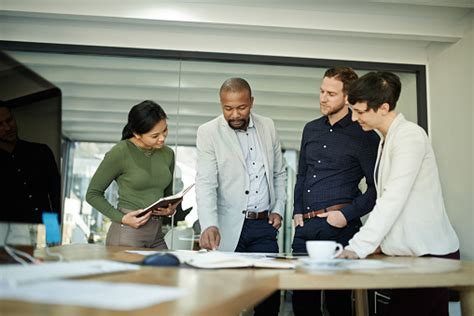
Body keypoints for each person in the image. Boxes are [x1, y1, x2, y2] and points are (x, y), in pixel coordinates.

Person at [340, 71, 460, 316]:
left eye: (360, 111)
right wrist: (378, 244)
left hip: (430, 255)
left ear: (383, 107)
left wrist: (358, 247)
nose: (354, 118)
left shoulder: (410, 136)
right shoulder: (387, 139)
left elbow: (393, 198)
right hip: (411, 257)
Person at [292, 67, 379, 316]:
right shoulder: (310, 129)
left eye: (331, 93)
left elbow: (376, 189)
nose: (322, 98)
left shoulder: (365, 136)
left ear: (347, 97)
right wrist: (297, 211)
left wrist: (347, 215)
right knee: (302, 303)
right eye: (321, 91)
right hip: (304, 228)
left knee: (338, 303)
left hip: (339, 227)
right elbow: (302, 174)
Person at [196, 77, 286, 316]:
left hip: (263, 226)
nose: (234, 114)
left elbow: (279, 173)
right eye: (228, 108)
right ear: (221, 104)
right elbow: (205, 183)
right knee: (225, 299)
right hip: (227, 227)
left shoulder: (268, 126)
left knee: (268, 296)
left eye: (241, 107)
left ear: (252, 102)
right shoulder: (208, 132)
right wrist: (209, 224)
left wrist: (278, 208)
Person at [86, 100, 179, 248]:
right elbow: (92, 194)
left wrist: (170, 209)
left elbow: (167, 194)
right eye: (155, 136)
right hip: (128, 232)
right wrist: (122, 218)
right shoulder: (120, 152)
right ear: (137, 134)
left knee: (168, 270)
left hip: (157, 234)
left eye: (165, 130)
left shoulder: (168, 154)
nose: (162, 138)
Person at [0, 104, 61, 224]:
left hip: (44, 231)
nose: (7, 128)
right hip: (8, 238)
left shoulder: (41, 152)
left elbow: (56, 197)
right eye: (0, 125)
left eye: (9, 120)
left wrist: (53, 235)